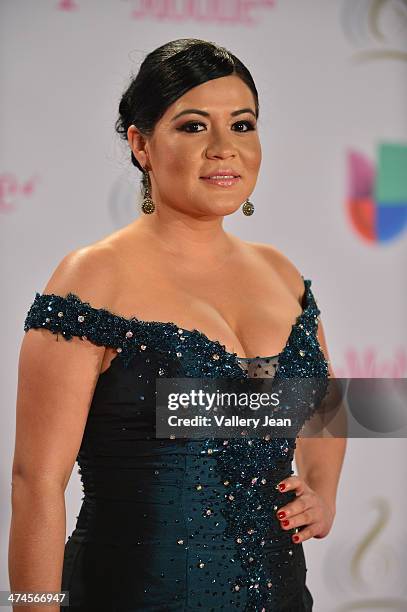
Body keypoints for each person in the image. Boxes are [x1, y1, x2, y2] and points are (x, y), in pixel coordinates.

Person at [9, 38, 346, 611]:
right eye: (193, 127)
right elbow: (36, 483)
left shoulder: (280, 273)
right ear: (141, 145)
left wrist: (321, 489)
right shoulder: (91, 278)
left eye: (243, 125)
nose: (224, 149)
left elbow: (324, 405)